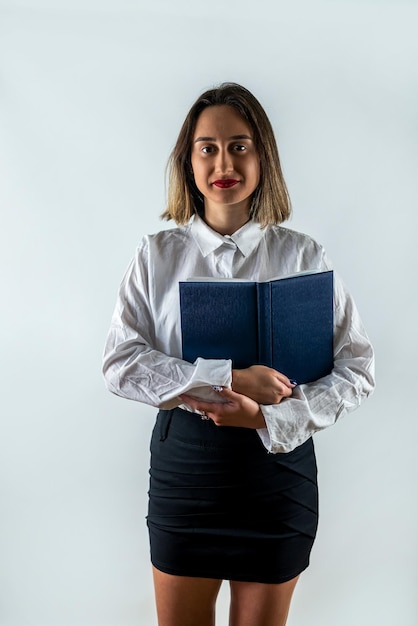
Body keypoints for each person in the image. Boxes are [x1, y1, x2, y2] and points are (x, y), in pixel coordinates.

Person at [102, 82, 375, 626]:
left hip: (276, 472)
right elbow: (120, 363)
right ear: (188, 161)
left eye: (239, 145)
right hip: (187, 472)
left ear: (262, 156)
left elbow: (358, 368)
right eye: (207, 147)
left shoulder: (303, 254)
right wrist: (232, 378)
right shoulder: (157, 255)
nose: (223, 161)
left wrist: (273, 416)